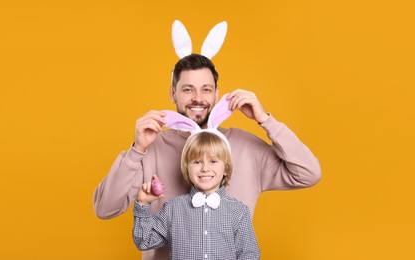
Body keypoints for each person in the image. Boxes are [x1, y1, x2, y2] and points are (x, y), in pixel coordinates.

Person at [94, 53, 321, 260]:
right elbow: (105, 209)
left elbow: (308, 174)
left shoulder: (245, 146)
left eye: (206, 89)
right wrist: (136, 150)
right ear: (173, 93)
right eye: (187, 89)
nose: (198, 98)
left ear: (217, 94)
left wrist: (266, 120)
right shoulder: (151, 147)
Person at [133, 131, 260, 260]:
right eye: (197, 162)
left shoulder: (238, 211)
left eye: (213, 161)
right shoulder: (173, 208)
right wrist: (143, 204)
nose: (205, 168)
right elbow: (144, 241)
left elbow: (249, 255)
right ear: (187, 167)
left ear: (226, 169)